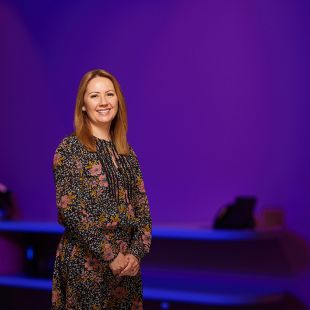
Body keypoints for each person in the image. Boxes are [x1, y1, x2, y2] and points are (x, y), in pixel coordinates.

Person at [51, 69, 152, 309]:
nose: (104, 102)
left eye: (109, 94)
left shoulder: (128, 154)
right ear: (83, 105)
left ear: (118, 100)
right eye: (95, 96)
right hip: (86, 266)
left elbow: (143, 212)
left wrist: (136, 254)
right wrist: (110, 255)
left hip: (126, 270)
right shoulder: (70, 149)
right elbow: (72, 212)